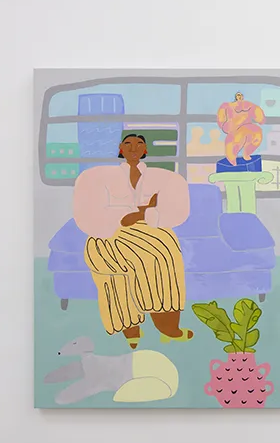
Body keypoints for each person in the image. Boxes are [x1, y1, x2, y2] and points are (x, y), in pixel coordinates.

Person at [71, 134, 193, 349]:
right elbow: (91, 215)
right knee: (147, 254)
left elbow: (175, 212)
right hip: (107, 237)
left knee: (165, 247)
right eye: (128, 144)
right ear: (120, 148)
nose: (133, 148)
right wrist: (142, 210)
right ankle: (130, 327)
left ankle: (167, 325)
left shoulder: (163, 178)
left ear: (145, 150)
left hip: (150, 233)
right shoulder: (98, 177)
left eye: (139, 144)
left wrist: (138, 214)